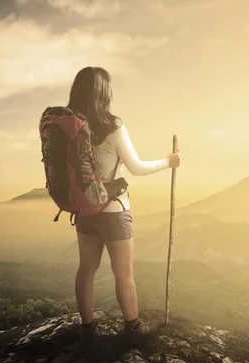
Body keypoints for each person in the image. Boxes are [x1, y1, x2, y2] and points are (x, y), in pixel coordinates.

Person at [66, 66, 180, 346]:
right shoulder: (112, 126)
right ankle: (133, 328)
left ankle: (87, 330)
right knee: (124, 273)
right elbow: (136, 168)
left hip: (83, 208)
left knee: (86, 269)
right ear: (104, 92)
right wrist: (169, 162)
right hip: (112, 209)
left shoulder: (69, 128)